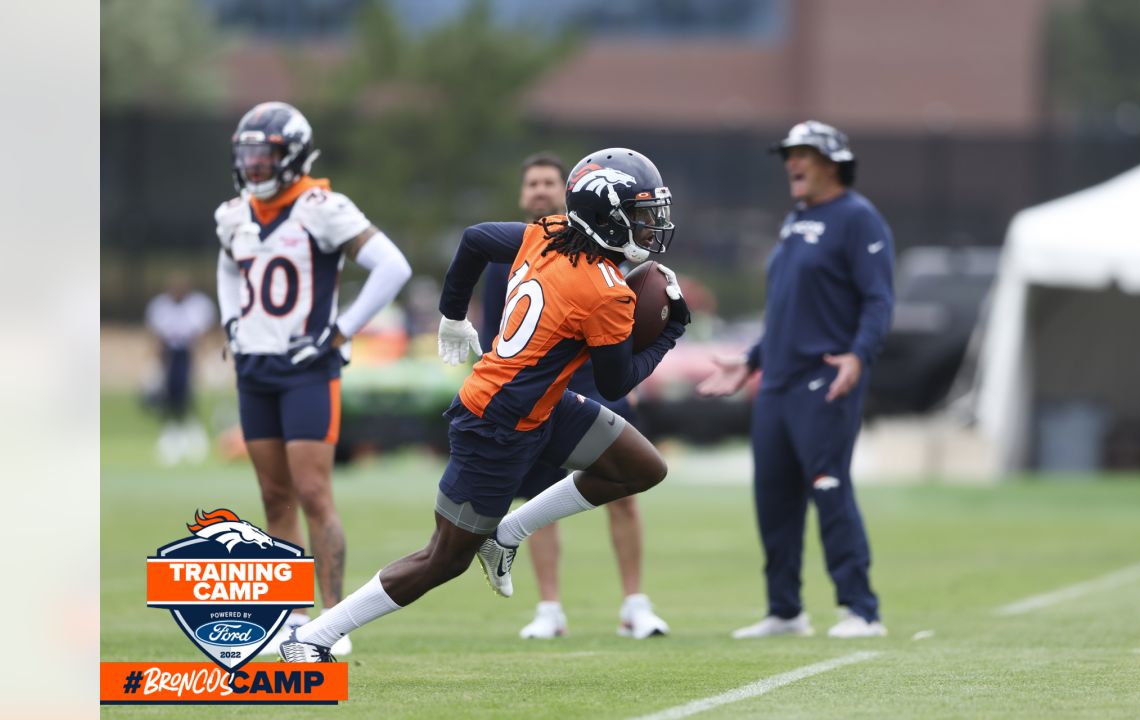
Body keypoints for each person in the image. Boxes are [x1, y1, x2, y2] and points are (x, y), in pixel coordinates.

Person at [279, 147, 689, 662]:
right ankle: (312, 636)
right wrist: (669, 331)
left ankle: (508, 534)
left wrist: (452, 315)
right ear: (605, 216)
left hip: (539, 401)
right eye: (639, 215)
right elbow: (616, 381)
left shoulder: (548, 232)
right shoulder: (605, 292)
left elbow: (474, 239)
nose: (650, 227)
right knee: (442, 559)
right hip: (493, 424)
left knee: (642, 467)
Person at [214, 101, 412, 656]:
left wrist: (341, 331)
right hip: (255, 368)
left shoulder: (321, 207)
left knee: (313, 492)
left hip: (306, 369)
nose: (253, 164)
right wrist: (232, 321)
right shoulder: (233, 213)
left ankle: (333, 619)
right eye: (247, 153)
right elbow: (229, 266)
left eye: (264, 153)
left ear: (293, 154)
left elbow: (392, 265)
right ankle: (291, 614)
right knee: (274, 495)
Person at [698, 121, 894, 639]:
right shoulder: (795, 220)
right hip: (777, 385)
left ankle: (861, 610)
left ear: (832, 161)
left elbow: (878, 299)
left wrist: (859, 356)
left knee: (829, 489)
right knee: (773, 498)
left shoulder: (858, 219)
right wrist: (752, 359)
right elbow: (789, 311)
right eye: (788, 154)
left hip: (824, 381)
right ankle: (785, 611)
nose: (792, 163)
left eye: (802, 153)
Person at [480, 152, 668, 639]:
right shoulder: (516, 247)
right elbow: (494, 337)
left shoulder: (610, 245)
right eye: (533, 183)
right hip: (541, 389)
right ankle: (549, 607)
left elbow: (624, 316)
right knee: (538, 495)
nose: (540, 190)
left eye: (549, 182)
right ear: (524, 194)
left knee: (626, 486)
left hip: (592, 380)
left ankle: (634, 602)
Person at [144, 271, 216, 466]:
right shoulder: (160, 306)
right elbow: (157, 338)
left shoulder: (198, 305)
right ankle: (172, 434)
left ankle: (191, 435)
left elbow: (202, 335)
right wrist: (155, 365)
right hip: (169, 354)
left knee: (185, 395)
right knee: (167, 398)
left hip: (187, 354)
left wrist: (203, 361)